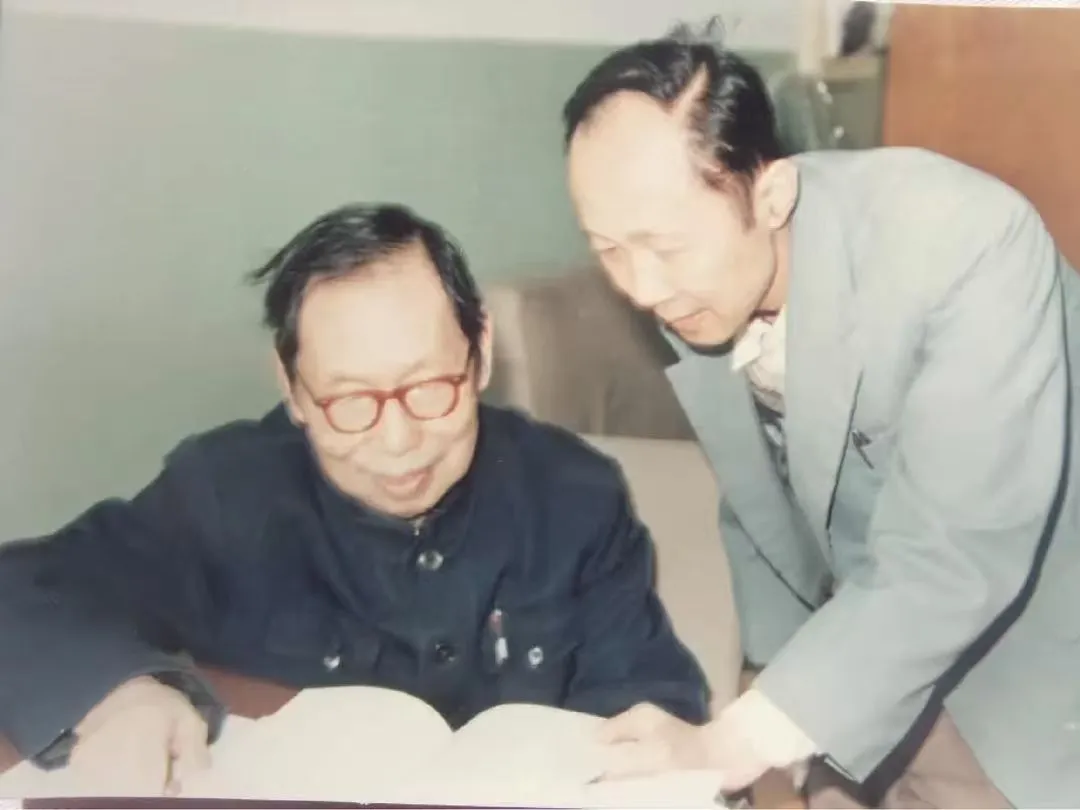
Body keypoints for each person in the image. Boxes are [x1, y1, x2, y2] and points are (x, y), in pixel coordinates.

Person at [0, 203, 709, 795]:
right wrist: (119, 694)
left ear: (482, 353)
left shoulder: (573, 496)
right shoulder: (225, 491)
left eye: (430, 388)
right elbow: (24, 587)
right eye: (349, 402)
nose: (399, 443)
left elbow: (650, 705)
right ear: (291, 386)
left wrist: (664, 753)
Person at [561, 20, 1080, 810]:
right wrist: (773, 709)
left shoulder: (966, 241)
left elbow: (952, 556)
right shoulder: (698, 270)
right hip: (873, 655)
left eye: (663, 247)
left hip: (1041, 649)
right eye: (608, 250)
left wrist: (737, 742)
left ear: (772, 194)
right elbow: (758, 499)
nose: (641, 288)